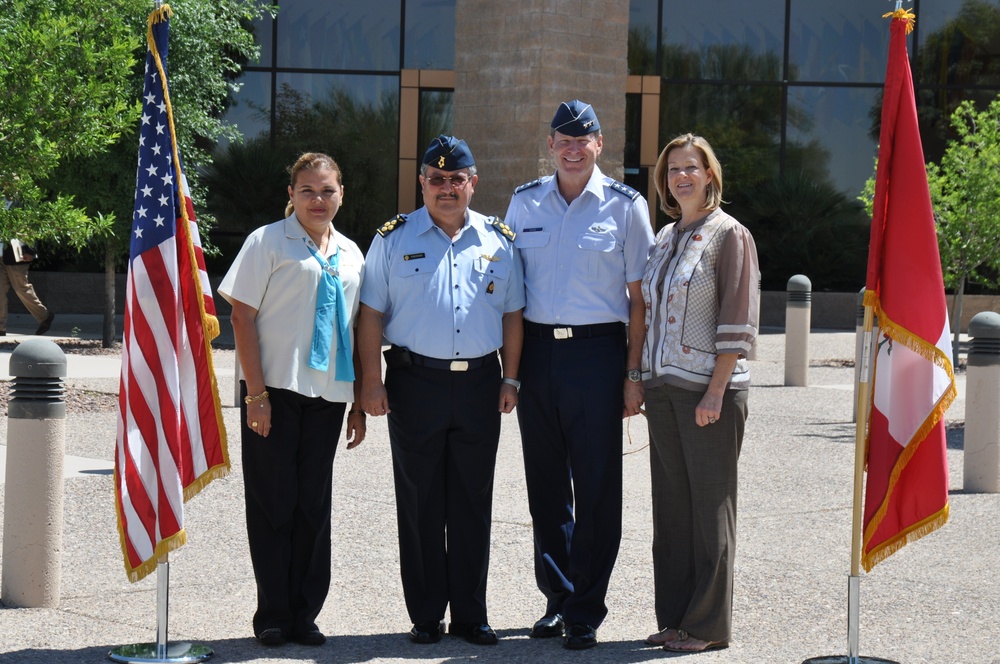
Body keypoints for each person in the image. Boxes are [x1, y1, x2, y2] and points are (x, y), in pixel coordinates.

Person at [357, 135, 524, 647]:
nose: (447, 188)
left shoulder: (500, 240)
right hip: (415, 382)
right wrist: (371, 380)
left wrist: (511, 377)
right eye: (437, 178)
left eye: (457, 179)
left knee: (473, 501)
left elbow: (514, 315)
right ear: (422, 182)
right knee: (420, 499)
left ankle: (472, 614)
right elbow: (370, 316)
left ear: (473, 183)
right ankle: (427, 614)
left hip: (479, 382)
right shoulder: (392, 237)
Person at [503, 100, 655, 650]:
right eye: (562, 140)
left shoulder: (625, 207)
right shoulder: (523, 203)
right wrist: (512, 373)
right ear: (549, 146)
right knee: (545, 485)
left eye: (582, 140)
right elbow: (513, 297)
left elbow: (639, 301)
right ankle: (558, 597)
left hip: (598, 356)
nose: (572, 149)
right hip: (539, 354)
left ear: (598, 145)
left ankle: (587, 608)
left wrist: (632, 373)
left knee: (596, 487)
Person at [217, 152, 366, 648]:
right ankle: (273, 615)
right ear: (291, 195)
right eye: (307, 190)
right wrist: (255, 394)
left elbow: (357, 328)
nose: (318, 199)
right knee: (272, 503)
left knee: (313, 506)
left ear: (341, 194)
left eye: (327, 190)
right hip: (273, 392)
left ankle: (306, 614)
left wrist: (360, 402)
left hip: (327, 396)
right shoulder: (267, 241)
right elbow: (241, 317)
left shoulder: (351, 252)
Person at [640, 134, 759, 653]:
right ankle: (676, 619)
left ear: (710, 174)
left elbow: (737, 319)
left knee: (711, 510)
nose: (681, 177)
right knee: (672, 514)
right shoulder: (665, 236)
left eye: (691, 168)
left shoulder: (729, 235)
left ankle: (708, 627)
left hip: (710, 393)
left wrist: (715, 391)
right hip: (662, 390)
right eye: (672, 170)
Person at [0, 232, 56, 337]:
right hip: (1, 253)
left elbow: (29, 224)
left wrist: (30, 251)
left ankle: (44, 316)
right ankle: (0, 328)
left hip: (16, 254)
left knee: (21, 289)